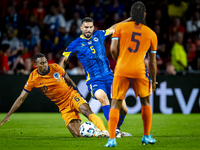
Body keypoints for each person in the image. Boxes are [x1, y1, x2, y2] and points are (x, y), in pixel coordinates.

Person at [0, 53, 109, 138]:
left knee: (86, 111)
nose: (45, 64)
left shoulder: (55, 68)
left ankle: (104, 131)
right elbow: (21, 98)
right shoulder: (33, 78)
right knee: (77, 134)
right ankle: (96, 133)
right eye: (41, 63)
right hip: (62, 106)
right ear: (36, 65)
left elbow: (70, 81)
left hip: (71, 95)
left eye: (45, 62)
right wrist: (8, 114)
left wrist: (80, 95)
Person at [60, 17, 131, 138]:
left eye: (90, 27)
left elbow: (115, 27)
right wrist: (61, 75)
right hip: (94, 79)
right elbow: (64, 60)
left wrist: (131, 19)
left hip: (109, 76)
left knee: (124, 109)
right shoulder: (75, 44)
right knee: (103, 97)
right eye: (86, 27)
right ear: (81, 28)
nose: (88, 29)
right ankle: (113, 130)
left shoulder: (99, 34)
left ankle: (117, 129)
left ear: (93, 27)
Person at [105, 1, 157, 147]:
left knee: (115, 103)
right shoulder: (151, 34)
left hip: (121, 69)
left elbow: (113, 49)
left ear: (130, 14)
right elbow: (152, 63)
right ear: (145, 14)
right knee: (145, 102)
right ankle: (146, 136)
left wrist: (120, 60)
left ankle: (111, 139)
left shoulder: (120, 27)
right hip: (140, 71)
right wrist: (153, 80)